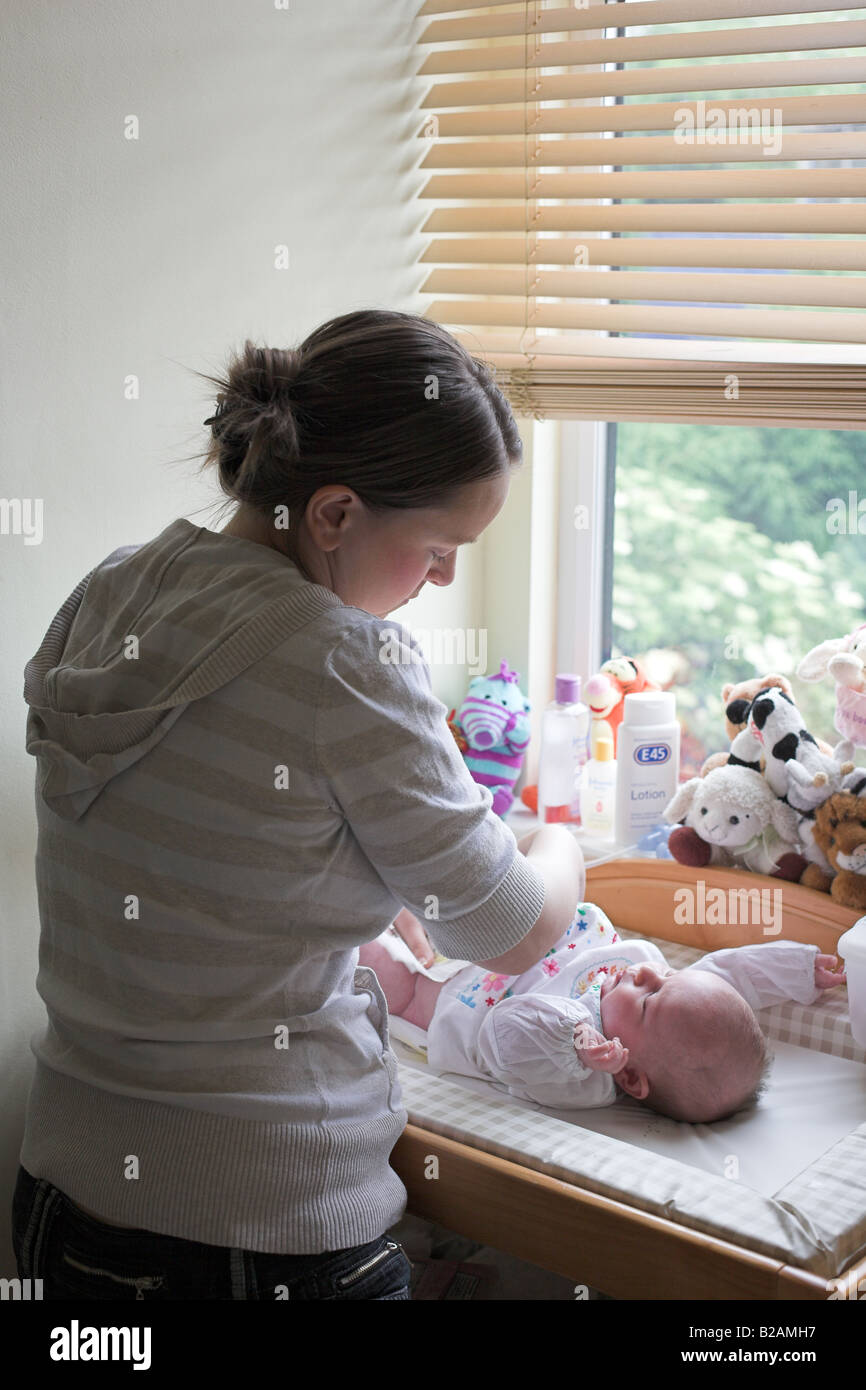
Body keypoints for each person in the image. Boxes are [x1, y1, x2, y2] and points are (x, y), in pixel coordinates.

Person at [11, 309, 584, 1300]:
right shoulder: (342, 661)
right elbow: (515, 930)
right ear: (331, 515)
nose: (444, 575)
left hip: (61, 1198)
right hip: (253, 1229)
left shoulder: (111, 591)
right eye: (441, 544)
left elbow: (223, 852)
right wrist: (563, 833)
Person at [360, 896, 848, 1124]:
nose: (651, 975)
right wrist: (797, 970)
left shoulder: (583, 1078)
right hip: (506, 930)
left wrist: (572, 1040)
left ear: (632, 1077)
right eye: (670, 977)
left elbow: (502, 1032)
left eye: (651, 998)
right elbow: (728, 973)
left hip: (452, 1001)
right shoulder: (657, 987)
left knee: (383, 970)